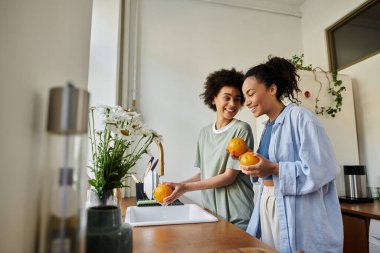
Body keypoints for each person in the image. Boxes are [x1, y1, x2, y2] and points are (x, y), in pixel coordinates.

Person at [240, 56, 343, 252]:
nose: (247, 102)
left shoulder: (301, 118)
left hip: (297, 211)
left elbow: (322, 168)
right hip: (269, 204)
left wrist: (273, 167)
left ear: (272, 89)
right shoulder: (267, 126)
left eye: (250, 94)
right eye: (245, 97)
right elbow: (267, 172)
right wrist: (256, 169)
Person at [163, 68, 255, 230]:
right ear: (214, 99)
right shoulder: (205, 133)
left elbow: (229, 177)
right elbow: (203, 174)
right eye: (227, 98)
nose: (232, 104)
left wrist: (186, 188)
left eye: (237, 99)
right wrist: (176, 186)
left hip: (237, 215)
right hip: (212, 214)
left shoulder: (241, 129)